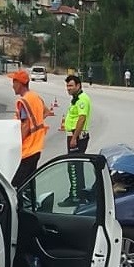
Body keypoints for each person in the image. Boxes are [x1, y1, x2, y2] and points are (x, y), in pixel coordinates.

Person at [9, 70, 48, 188]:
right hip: (36, 147)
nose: (12, 86)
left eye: (14, 82)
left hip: (27, 149)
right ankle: (31, 205)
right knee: (30, 183)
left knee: (17, 185)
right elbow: (45, 112)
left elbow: (25, 124)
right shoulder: (35, 97)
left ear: (20, 83)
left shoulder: (24, 101)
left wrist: (17, 143)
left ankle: (22, 206)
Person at [60, 74, 92, 205]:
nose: (68, 88)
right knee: (77, 166)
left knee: (73, 167)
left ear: (78, 86)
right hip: (75, 135)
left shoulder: (82, 99)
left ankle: (74, 197)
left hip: (77, 136)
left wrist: (74, 137)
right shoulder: (76, 99)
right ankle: (81, 194)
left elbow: (82, 118)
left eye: (71, 85)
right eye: (67, 86)